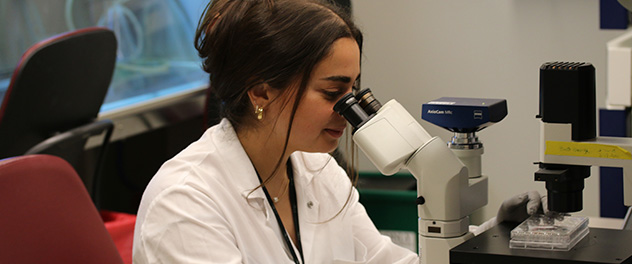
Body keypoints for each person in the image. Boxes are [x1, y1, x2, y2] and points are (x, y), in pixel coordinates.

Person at [132, 0, 543, 263]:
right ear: (261, 92)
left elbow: (387, 262)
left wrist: (490, 241)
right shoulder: (184, 203)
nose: (349, 111)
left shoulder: (317, 172)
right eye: (333, 91)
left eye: (355, 89)